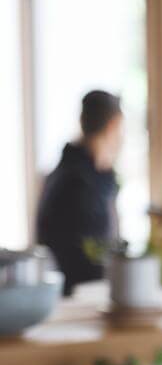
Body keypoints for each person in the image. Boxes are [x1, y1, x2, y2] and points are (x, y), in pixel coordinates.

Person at [36, 90, 124, 295]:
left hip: (70, 293)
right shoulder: (81, 184)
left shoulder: (66, 172)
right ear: (113, 126)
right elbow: (92, 262)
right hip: (80, 297)